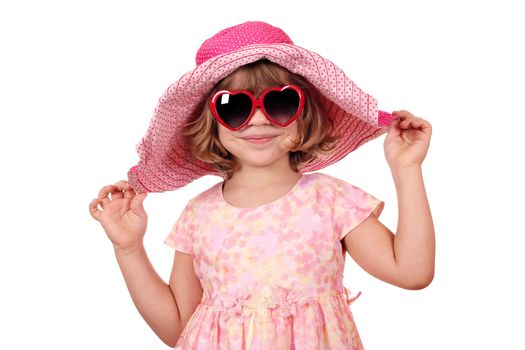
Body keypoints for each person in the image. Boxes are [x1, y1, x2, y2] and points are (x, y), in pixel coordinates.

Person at [89, 21, 435, 349]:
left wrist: (407, 169)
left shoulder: (330, 199)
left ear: (305, 115)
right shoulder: (199, 214)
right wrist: (129, 248)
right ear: (212, 124)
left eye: (279, 102)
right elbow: (177, 327)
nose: (258, 119)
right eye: (234, 107)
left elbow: (412, 272)